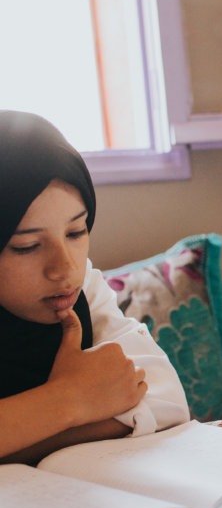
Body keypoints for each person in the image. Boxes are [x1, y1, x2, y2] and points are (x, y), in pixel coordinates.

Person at [0, 110, 190, 464]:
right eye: (27, 246)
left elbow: (166, 400)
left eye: (76, 232)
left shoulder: (81, 286)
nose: (65, 268)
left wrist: (26, 433)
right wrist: (68, 400)